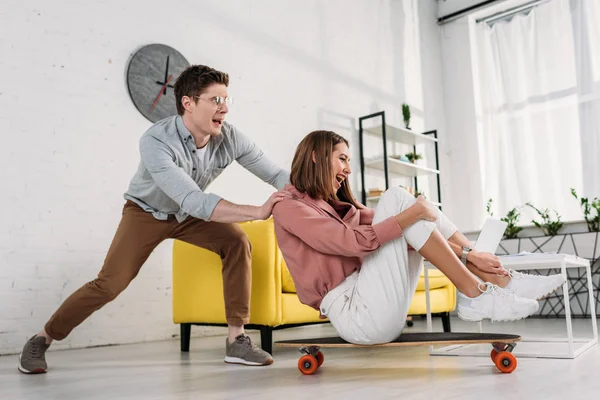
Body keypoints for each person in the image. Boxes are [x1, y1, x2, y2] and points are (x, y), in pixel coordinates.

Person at [18, 65, 291, 374]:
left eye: (226, 99)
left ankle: (237, 340)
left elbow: (276, 174)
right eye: (216, 100)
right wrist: (256, 211)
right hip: (146, 212)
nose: (225, 108)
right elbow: (194, 200)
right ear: (188, 103)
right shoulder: (156, 141)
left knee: (237, 242)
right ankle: (43, 338)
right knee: (109, 284)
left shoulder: (229, 137)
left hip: (187, 215)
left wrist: (317, 186)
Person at [272, 130, 566, 345]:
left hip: (374, 300)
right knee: (402, 201)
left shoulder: (340, 207)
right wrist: (415, 211)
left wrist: (467, 254)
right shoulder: (289, 208)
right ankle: (478, 290)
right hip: (357, 315)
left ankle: (494, 280)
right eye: (342, 159)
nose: (348, 170)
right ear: (315, 155)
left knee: (408, 208)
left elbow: (405, 229)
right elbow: (351, 242)